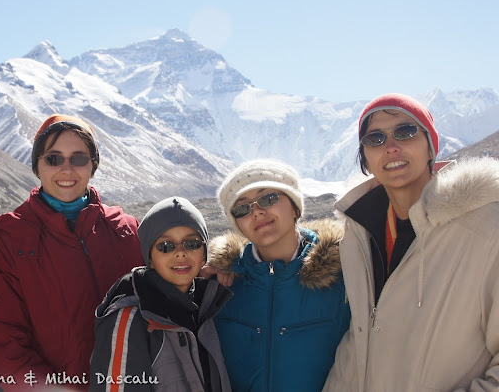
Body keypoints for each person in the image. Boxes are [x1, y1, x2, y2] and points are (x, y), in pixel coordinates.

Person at [323, 93, 499, 391]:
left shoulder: (487, 229)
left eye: (405, 131)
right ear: (365, 159)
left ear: (431, 147)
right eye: (375, 139)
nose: (391, 147)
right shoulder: (358, 236)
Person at [0, 115, 143, 390]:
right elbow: (6, 342)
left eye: (78, 159)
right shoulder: (10, 238)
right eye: (53, 159)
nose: (66, 169)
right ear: (37, 166)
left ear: (93, 166)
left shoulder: (126, 231)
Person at [205, 159, 350, 392]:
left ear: (296, 208)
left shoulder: (345, 274)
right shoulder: (222, 285)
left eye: (269, 198)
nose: (257, 212)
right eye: (242, 208)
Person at [90, 196, 233, 392]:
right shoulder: (129, 320)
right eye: (166, 246)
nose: (180, 253)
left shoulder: (207, 306)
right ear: (149, 258)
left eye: (192, 244)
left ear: (204, 255)